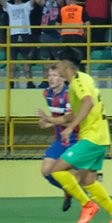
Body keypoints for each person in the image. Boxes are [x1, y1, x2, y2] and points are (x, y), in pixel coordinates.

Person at [49, 47, 112, 223]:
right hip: (100, 136)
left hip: (92, 137)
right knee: (88, 181)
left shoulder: (77, 81)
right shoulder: (83, 80)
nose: (56, 68)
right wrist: (53, 121)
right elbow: (77, 112)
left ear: (65, 65)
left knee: (57, 170)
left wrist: (70, 128)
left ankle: (88, 205)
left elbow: (88, 103)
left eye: (58, 64)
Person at [34, 62, 77, 212]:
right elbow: (58, 117)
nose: (51, 78)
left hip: (75, 141)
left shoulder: (70, 95)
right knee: (46, 171)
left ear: (63, 78)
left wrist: (50, 121)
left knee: (78, 178)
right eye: (49, 75)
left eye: (55, 75)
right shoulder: (47, 94)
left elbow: (71, 120)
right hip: (60, 141)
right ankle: (68, 191)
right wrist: (49, 123)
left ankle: (88, 203)